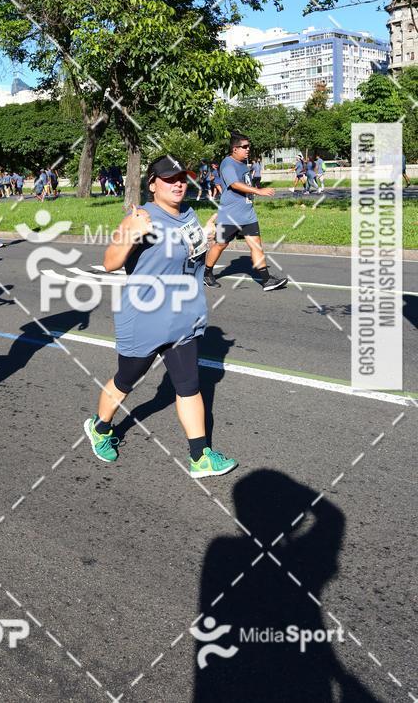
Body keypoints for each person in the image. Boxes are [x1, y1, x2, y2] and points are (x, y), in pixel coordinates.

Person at [84, 154, 238, 478]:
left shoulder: (190, 216)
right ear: (152, 184)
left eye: (182, 177)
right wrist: (133, 234)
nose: (178, 183)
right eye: (169, 178)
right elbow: (110, 262)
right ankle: (100, 427)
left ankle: (200, 456)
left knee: (189, 385)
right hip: (145, 319)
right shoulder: (142, 217)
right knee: (127, 379)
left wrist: (209, 237)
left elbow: (193, 262)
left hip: (183, 318)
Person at [203, 132, 288, 292]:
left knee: (256, 246)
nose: (248, 149)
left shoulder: (243, 164)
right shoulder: (228, 164)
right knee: (220, 245)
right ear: (235, 149)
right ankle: (206, 273)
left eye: (249, 146)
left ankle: (266, 280)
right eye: (245, 147)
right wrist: (259, 191)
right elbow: (234, 184)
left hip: (247, 214)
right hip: (229, 216)